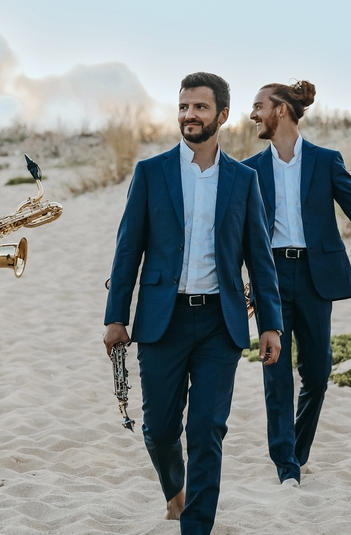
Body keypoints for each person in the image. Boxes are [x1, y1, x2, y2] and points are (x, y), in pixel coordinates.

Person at [104, 71, 283, 535]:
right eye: (184, 106)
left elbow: (260, 259)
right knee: (160, 430)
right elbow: (128, 251)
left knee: (207, 431)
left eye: (200, 107)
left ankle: (195, 527)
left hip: (220, 325)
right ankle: (175, 492)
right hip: (163, 321)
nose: (189, 115)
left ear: (222, 115)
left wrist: (270, 324)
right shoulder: (151, 172)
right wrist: (116, 318)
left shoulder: (243, 180)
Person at [245, 80, 351, 486]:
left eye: (258, 106)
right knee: (276, 374)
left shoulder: (325, 161)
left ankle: (296, 453)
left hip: (317, 278)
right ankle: (286, 466)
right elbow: (231, 231)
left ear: (280, 110)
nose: (253, 115)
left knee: (317, 374)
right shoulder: (248, 170)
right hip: (271, 278)